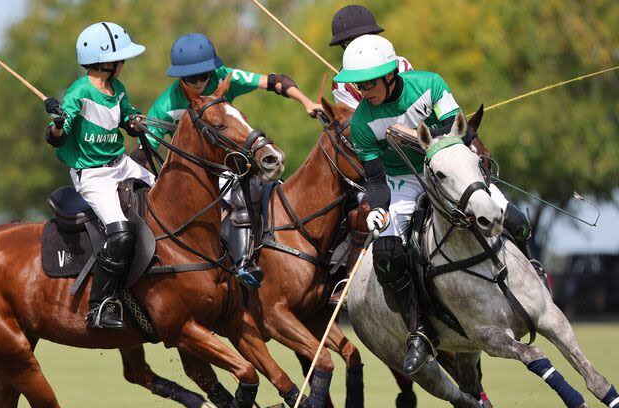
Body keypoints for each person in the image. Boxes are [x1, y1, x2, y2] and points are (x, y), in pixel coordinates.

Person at [334, 34, 514, 375]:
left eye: (369, 83)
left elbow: (455, 137)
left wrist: (412, 135)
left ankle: (529, 280)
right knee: (386, 256)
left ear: (390, 75)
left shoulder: (429, 84)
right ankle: (419, 331)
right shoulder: (360, 123)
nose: (362, 91)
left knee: (515, 219)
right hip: (401, 184)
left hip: (449, 170)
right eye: (357, 85)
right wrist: (376, 209)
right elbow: (375, 178)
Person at [142, 33, 321, 288]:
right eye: (193, 78)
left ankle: (263, 254)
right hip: (192, 174)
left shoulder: (223, 77)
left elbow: (274, 81)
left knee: (260, 186)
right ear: (180, 77)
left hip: (224, 160)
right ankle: (237, 264)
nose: (202, 82)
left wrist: (306, 101)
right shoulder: (166, 105)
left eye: (205, 74)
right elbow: (144, 150)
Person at [44, 22, 154, 329]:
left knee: (165, 196)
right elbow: (56, 137)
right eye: (121, 59)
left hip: (121, 164)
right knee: (119, 233)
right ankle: (100, 305)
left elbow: (126, 114)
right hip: (92, 176)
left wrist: (134, 121)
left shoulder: (117, 89)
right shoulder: (78, 92)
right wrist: (57, 121)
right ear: (105, 61)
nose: (124, 64)